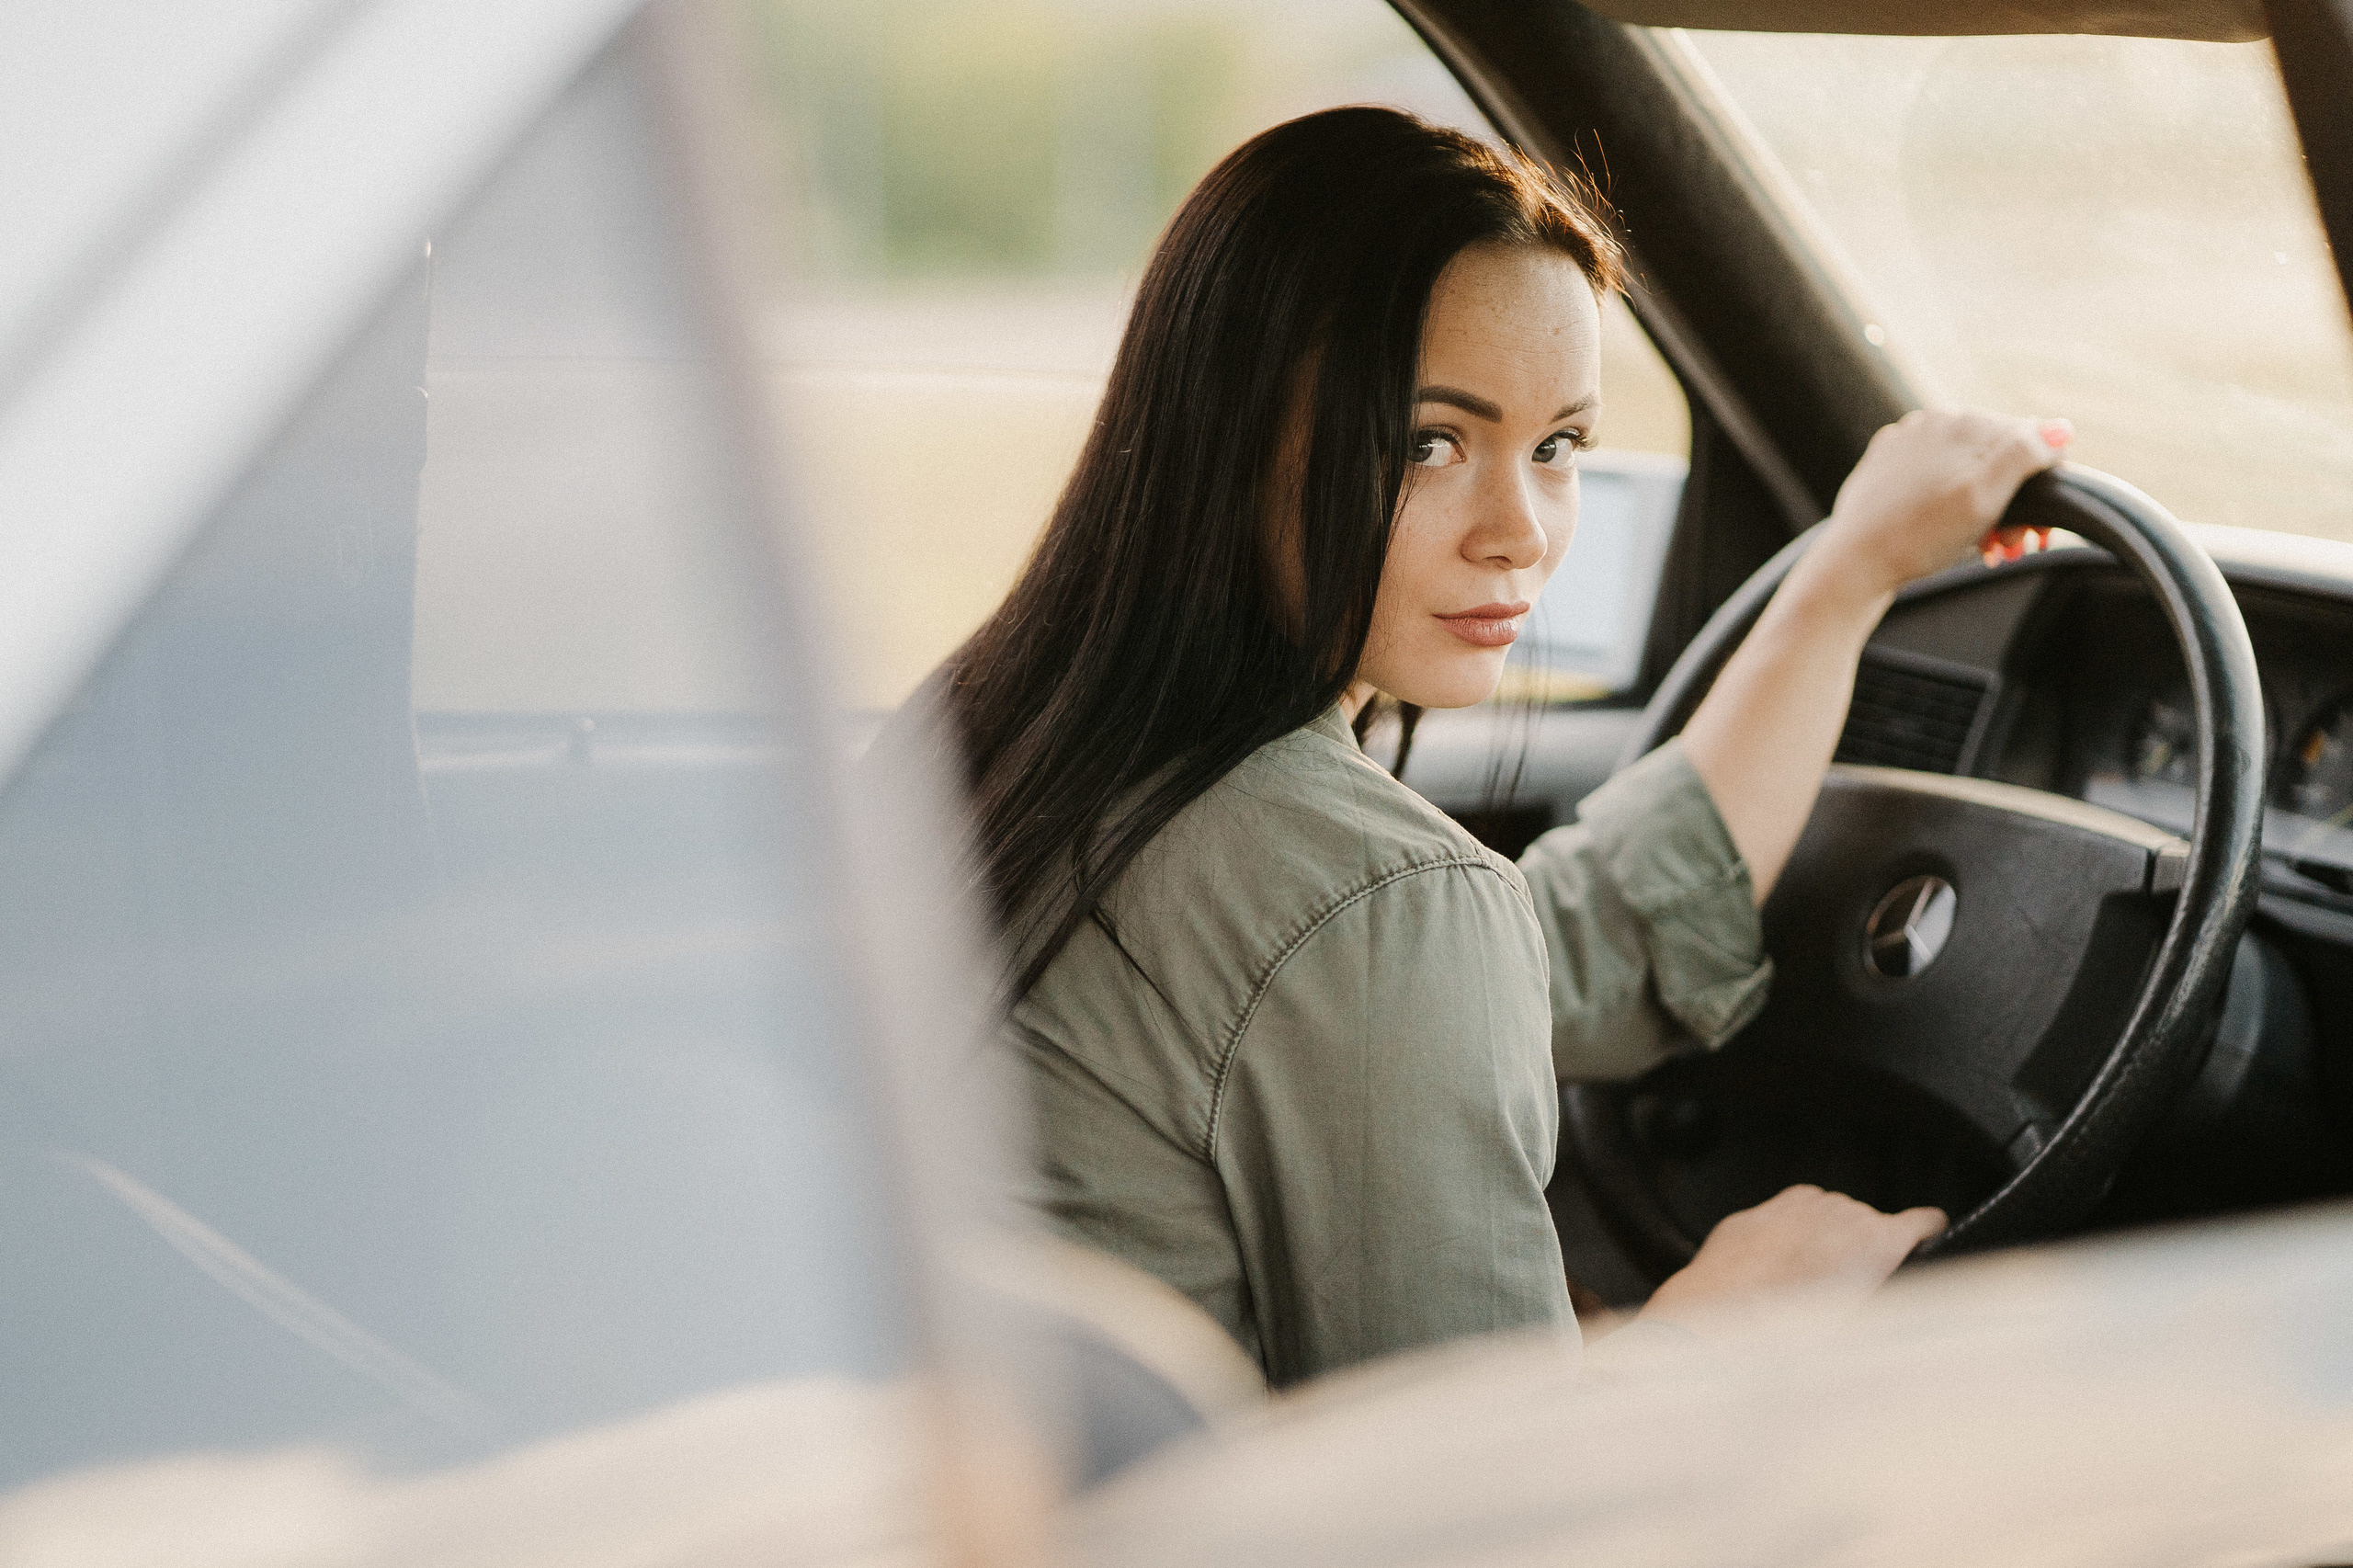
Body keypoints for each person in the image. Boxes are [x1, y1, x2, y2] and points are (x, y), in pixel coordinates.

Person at [944, 106, 2067, 1389]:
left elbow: (1548, 949)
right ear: (1234, 429)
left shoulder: (1007, 734)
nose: (1520, 530)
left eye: (1558, 448)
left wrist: (1849, 576)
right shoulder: (1367, 904)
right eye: (1431, 442)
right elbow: (1483, 1512)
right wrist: (1733, 1321)